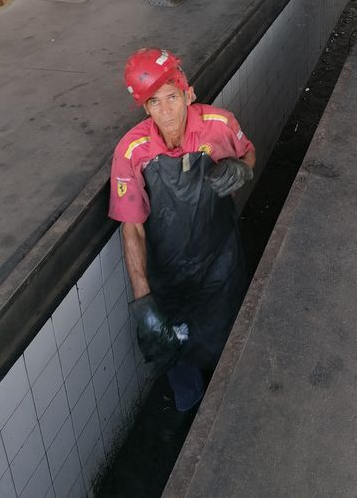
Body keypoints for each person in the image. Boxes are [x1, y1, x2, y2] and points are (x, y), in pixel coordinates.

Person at [109, 47, 255, 427]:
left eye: (172, 97)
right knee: (174, 347)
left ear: (187, 92)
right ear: (145, 109)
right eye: (154, 103)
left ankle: (233, 399)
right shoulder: (131, 151)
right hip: (169, 269)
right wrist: (143, 301)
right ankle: (189, 408)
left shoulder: (219, 125)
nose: (167, 112)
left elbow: (248, 153)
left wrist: (241, 169)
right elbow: (132, 226)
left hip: (220, 259)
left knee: (228, 334)